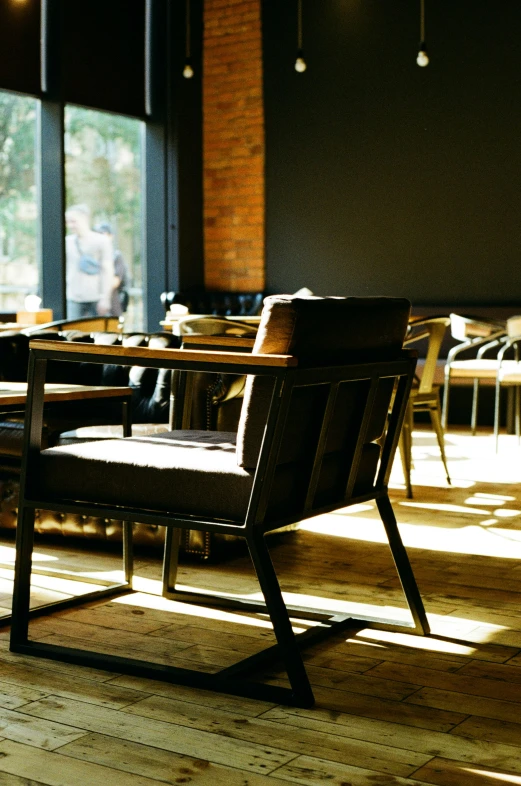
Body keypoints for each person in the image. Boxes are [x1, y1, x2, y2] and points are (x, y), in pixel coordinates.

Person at [65, 204, 114, 318]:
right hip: (73, 297)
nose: (70, 225)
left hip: (96, 297)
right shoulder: (68, 242)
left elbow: (107, 269)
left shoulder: (102, 241)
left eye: (73, 221)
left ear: (84, 219)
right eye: (68, 222)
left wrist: (105, 298)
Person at [95, 222, 130, 317]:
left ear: (111, 236)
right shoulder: (94, 256)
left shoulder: (116, 256)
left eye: (103, 234)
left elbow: (115, 281)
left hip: (113, 306)